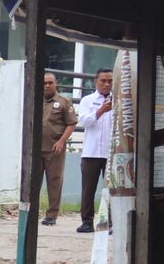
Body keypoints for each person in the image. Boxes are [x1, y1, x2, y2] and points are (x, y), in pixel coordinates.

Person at [76, 67, 114, 232]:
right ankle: (87, 221)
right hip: (91, 153)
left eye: (110, 81)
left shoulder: (119, 100)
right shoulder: (87, 100)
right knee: (88, 189)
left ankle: (111, 222)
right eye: (103, 81)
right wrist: (100, 111)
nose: (106, 84)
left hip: (111, 153)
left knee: (112, 189)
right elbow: (84, 121)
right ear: (95, 81)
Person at [38, 71, 78, 225]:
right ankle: (31, 211)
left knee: (54, 182)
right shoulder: (35, 99)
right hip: (36, 150)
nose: (47, 85)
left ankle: (51, 216)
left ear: (56, 84)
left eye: (50, 82)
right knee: (33, 183)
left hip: (54, 149)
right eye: (44, 83)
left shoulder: (63, 102)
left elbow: (71, 123)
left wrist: (61, 141)